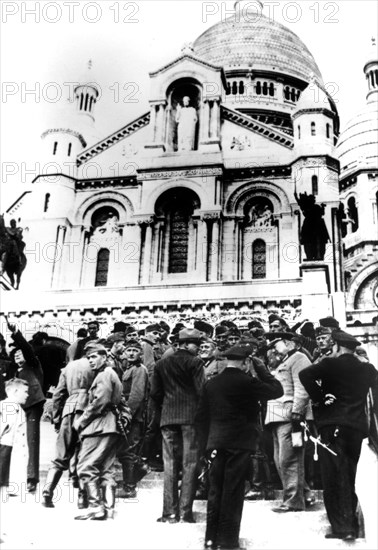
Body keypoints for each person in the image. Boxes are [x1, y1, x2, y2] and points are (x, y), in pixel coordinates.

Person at [196, 345, 283, 550]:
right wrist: (261, 368)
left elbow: (200, 418)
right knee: (233, 492)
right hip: (240, 444)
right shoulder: (249, 382)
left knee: (215, 491)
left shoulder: (212, 384)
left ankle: (210, 541)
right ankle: (228, 542)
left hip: (216, 443)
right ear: (245, 362)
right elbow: (277, 390)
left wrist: (205, 447)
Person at [299, 329, 378, 541]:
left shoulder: (329, 363)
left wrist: (321, 397)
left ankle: (342, 527)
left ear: (336, 345)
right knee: (348, 475)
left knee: (333, 476)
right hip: (355, 428)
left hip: (331, 425)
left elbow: (304, 375)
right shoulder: (368, 369)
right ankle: (349, 521)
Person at [151, 328, 205, 523]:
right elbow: (202, 392)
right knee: (190, 464)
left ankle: (169, 513)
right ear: (185, 344)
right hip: (190, 419)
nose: (198, 348)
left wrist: (166, 408)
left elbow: (155, 393)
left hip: (168, 418)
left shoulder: (161, 364)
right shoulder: (196, 362)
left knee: (170, 464)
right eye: (195, 344)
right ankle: (185, 512)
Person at [264, 332, 315, 512]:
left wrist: (297, 412)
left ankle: (293, 501)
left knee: (289, 459)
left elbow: (302, 387)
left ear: (289, 343)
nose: (274, 347)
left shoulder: (299, 358)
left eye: (277, 343)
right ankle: (306, 494)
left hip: (290, 416)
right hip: (277, 416)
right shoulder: (285, 360)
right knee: (280, 459)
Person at [75, 343, 122, 521]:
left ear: (104, 357)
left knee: (86, 465)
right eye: (89, 358)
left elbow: (100, 402)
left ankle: (96, 507)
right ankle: (109, 510)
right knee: (107, 469)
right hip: (110, 426)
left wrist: (82, 420)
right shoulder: (111, 374)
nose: (91, 360)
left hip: (99, 426)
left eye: (94, 356)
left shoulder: (104, 375)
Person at [41, 357, 96, 508]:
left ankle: (47, 490)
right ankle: (82, 497)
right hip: (87, 409)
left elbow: (58, 394)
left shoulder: (69, 367)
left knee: (61, 454)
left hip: (69, 409)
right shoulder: (96, 364)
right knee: (84, 454)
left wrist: (57, 418)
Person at [7, 321, 45, 493]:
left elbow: (26, 348)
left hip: (33, 406)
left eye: (19, 353)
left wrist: (16, 333)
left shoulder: (33, 363)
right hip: (19, 409)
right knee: (15, 442)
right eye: (14, 354)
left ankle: (32, 478)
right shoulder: (17, 372)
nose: (17, 355)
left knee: (32, 441)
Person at [117, 339, 149, 498]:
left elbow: (137, 395)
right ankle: (141, 468)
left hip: (134, 416)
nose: (130, 353)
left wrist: (126, 415)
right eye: (128, 350)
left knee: (128, 449)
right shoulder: (129, 368)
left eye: (135, 351)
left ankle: (129, 487)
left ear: (141, 353)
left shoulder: (139, 369)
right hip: (130, 414)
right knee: (127, 449)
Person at [0, 378, 29, 492]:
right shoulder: (9, 407)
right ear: (15, 392)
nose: (28, 395)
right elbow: (2, 427)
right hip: (5, 447)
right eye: (25, 391)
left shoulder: (16, 407)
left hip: (10, 447)